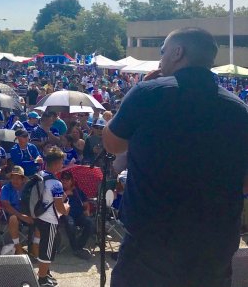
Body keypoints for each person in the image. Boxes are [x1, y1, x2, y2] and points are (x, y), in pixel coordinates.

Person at [102, 28, 248, 287]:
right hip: (214, 248)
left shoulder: (148, 94)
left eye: (163, 52)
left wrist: (134, 95)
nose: (161, 60)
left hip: (153, 245)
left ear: (178, 53)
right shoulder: (238, 109)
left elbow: (112, 143)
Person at [35, 147, 69, 287]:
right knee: (47, 251)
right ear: (55, 163)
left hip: (39, 217)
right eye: (61, 162)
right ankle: (42, 280)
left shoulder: (40, 175)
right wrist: (67, 207)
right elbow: (61, 208)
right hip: (50, 220)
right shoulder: (56, 183)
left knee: (44, 247)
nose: (62, 165)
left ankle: (44, 274)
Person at [0, 166, 34, 255]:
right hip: (10, 214)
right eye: (13, 178)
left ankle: (34, 248)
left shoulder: (27, 189)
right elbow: (6, 206)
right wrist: (22, 216)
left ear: (23, 179)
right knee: (13, 218)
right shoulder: (6, 188)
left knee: (39, 218)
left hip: (26, 212)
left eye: (18, 178)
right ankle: (18, 247)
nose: (15, 180)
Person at [59, 170, 93, 260]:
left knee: (90, 223)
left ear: (71, 180)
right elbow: (56, 204)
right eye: (63, 179)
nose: (65, 181)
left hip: (79, 215)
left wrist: (87, 211)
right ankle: (75, 248)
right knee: (70, 223)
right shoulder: (58, 190)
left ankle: (79, 245)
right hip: (65, 215)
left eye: (67, 179)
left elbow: (86, 203)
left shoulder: (78, 191)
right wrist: (65, 194)